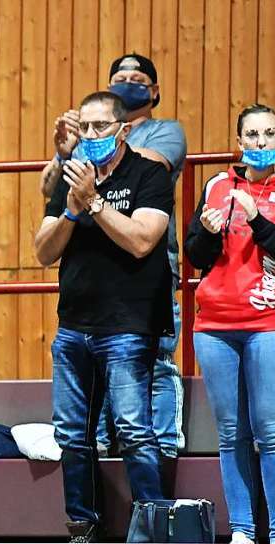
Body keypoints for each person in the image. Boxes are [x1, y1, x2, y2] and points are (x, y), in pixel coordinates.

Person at [41, 53, 187, 491]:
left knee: (132, 428)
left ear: (123, 130)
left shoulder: (149, 173)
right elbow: (43, 251)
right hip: (74, 325)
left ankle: (151, 519)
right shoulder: (73, 178)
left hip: (129, 323)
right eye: (83, 127)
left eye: (99, 127)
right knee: (71, 433)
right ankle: (82, 528)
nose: (89, 135)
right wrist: (70, 210)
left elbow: (143, 240)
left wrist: (95, 203)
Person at [184, 104, 275, 544]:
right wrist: (206, 231)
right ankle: (241, 530)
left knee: (272, 431)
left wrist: (258, 221)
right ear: (239, 141)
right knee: (231, 434)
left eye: (270, 134)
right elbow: (196, 255)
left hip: (273, 323)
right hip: (216, 326)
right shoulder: (218, 185)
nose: (261, 143)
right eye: (253, 135)